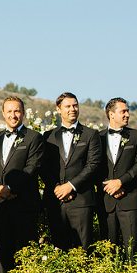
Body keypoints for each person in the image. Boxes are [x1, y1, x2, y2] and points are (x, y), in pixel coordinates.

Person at [0, 97, 43, 273]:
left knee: (28, 252)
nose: (13, 115)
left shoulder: (34, 138)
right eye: (9, 111)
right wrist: (0, 190)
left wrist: (10, 188)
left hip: (25, 204)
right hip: (1, 205)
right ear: (3, 113)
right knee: (3, 251)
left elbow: (32, 168)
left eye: (17, 111)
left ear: (23, 113)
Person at [40, 92, 102, 251]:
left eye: (75, 105)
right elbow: (43, 166)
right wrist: (57, 187)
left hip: (81, 200)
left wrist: (71, 186)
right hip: (55, 201)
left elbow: (93, 164)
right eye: (68, 106)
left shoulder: (91, 135)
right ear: (58, 110)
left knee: (84, 249)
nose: (72, 109)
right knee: (59, 249)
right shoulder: (48, 136)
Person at [97, 98, 137, 255]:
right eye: (123, 111)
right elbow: (94, 167)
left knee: (134, 249)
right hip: (106, 202)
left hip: (130, 200)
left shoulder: (136, 136)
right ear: (111, 114)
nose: (127, 114)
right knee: (107, 250)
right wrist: (109, 187)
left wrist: (120, 182)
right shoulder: (98, 138)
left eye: (127, 111)